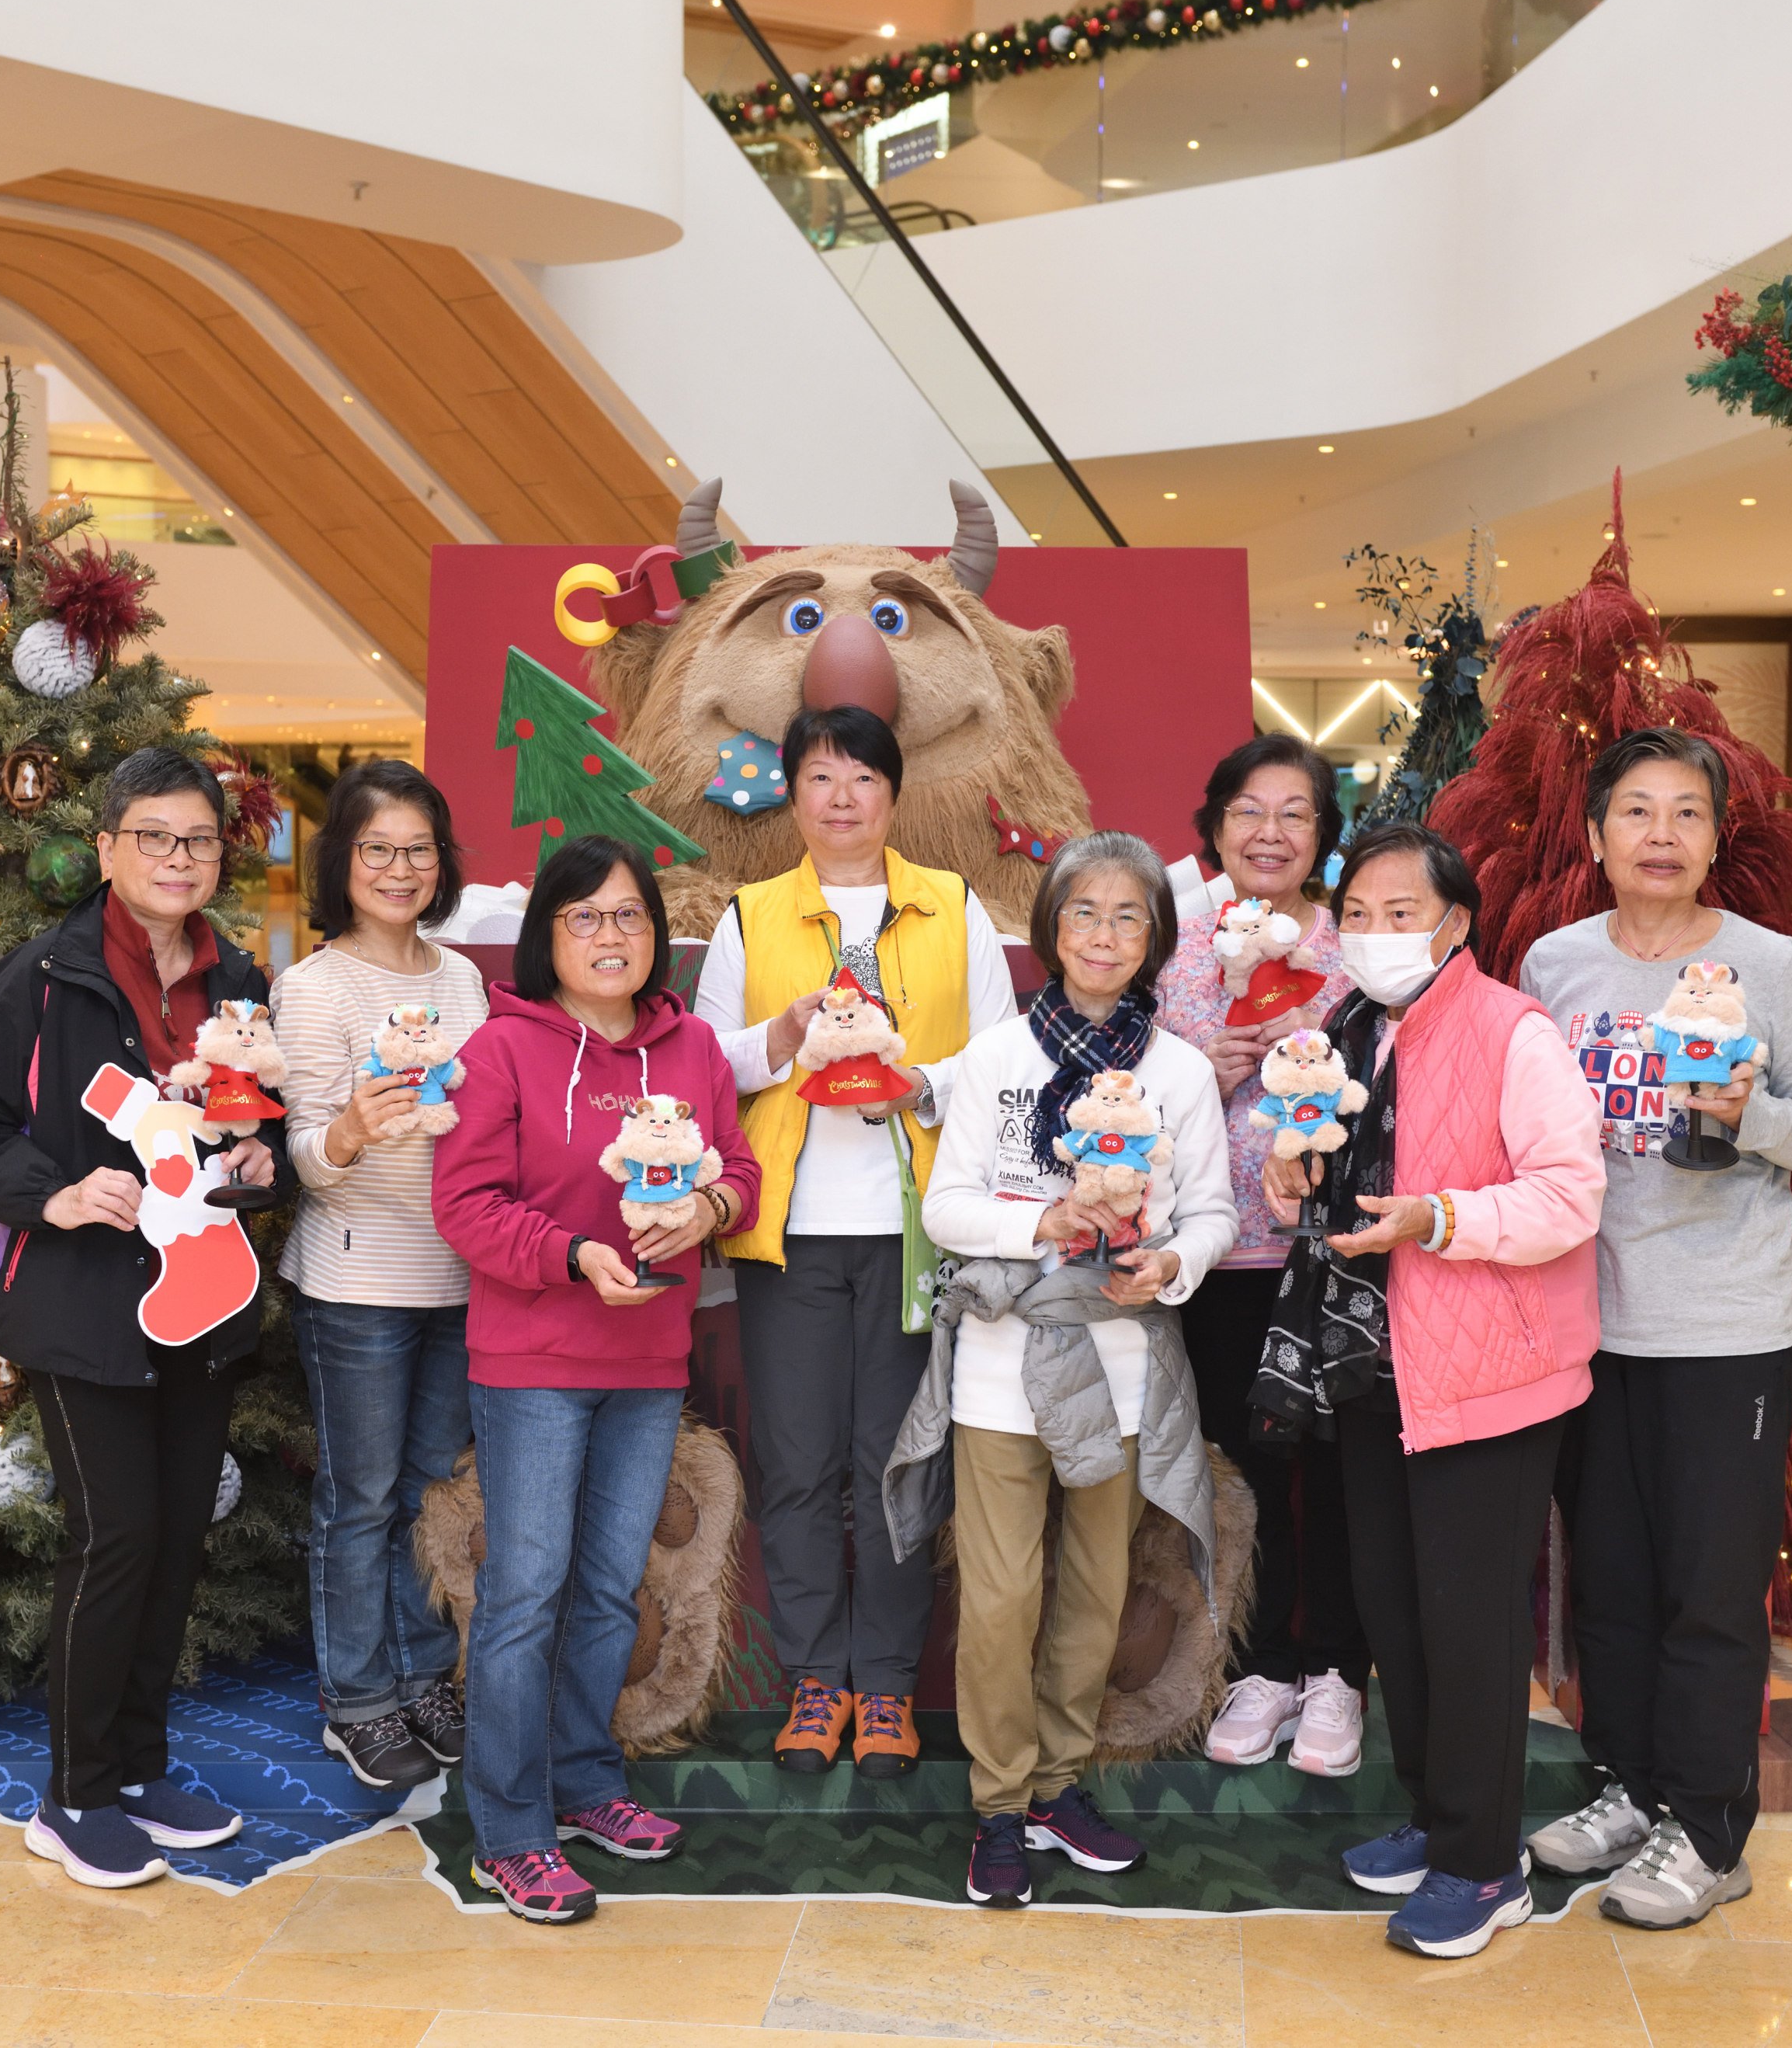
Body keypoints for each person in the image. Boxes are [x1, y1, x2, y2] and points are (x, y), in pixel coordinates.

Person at [0, 746, 290, 1890]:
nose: (177, 858)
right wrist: (56, 1191)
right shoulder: (46, 978)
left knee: (181, 1533)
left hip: (202, 1300)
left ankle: (139, 1769)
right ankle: (75, 1793)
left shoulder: (237, 980)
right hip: (85, 1307)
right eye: (154, 836)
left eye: (197, 838)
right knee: (116, 1538)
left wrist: (254, 1160)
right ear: (106, 848)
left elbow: (268, 1133)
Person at [1517, 728, 1792, 1931]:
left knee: (1707, 1591)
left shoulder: (1766, 961)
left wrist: (1747, 1109)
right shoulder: (1553, 963)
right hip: (1582, 1324)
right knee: (1604, 1583)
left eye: (1686, 815)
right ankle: (1629, 1786)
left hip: (1720, 1331)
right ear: (1597, 834)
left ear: (1714, 839)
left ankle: (1709, 1830)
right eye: (1636, 812)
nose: (1660, 834)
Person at [1255, 823, 1604, 1959]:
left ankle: (1482, 1862)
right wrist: (1283, 1174)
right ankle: (1436, 1813)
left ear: (1456, 923)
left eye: (1400, 913)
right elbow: (1313, 1176)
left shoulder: (1514, 1031)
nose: (1372, 933)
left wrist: (1437, 1217)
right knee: (1395, 1610)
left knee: (1469, 1624)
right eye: (1354, 911)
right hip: (1368, 1369)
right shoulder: (1342, 1030)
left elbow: (1567, 1194)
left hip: (1485, 1377)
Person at [885, 830, 1235, 1908]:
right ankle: (995, 1807)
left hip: (1122, 1365)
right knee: (998, 1598)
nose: (1102, 934)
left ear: (1154, 939)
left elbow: (1215, 1211)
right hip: (999, 1366)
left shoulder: (1174, 1070)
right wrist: (1045, 1216)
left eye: (1127, 915)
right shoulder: (996, 1057)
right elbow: (944, 1209)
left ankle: (1053, 1784)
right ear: (1049, 929)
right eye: (1082, 912)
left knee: (1094, 1593)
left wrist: (1169, 1261)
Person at [430, 835, 759, 1925]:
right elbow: (466, 1206)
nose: (608, 936)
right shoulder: (503, 1050)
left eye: (626, 916)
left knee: (613, 1586)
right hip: (532, 1361)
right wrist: (572, 1257)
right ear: (548, 937)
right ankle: (509, 1829)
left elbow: (740, 1172)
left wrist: (708, 1208)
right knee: (525, 1592)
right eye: (584, 917)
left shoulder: (695, 1048)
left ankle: (582, 1781)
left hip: (647, 1361)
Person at [696, 704, 1016, 1780]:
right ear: (791, 794)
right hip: (785, 1238)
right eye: (820, 778)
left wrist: (913, 1080)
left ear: (892, 794)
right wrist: (783, 1038)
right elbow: (706, 1065)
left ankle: (883, 1688)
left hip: (912, 1236)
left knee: (895, 1468)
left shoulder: (954, 906)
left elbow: (997, 1056)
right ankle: (813, 1681)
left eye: (862, 778)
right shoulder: (748, 916)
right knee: (793, 1467)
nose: (841, 797)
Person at [1152, 732, 1373, 1775]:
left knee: (1334, 1471)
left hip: (1334, 1260)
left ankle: (1335, 1672)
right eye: (1247, 809)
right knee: (1244, 1467)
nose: (1269, 830)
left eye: (1294, 812)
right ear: (1213, 827)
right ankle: (1261, 1665)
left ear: (1321, 838)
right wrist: (1197, 1067)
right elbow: (1122, 1111)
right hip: (1222, 1260)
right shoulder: (1177, 948)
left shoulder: (1357, 947)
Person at [268, 760, 487, 1792]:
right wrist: (350, 1129)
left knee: (422, 1492)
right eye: (377, 849)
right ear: (342, 863)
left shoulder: (462, 980)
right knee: (356, 1500)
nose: (400, 869)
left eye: (418, 849)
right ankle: (354, 1700)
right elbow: (301, 1155)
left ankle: (417, 1673)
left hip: (458, 1276)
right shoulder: (312, 987)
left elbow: (485, 1125)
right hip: (355, 1284)